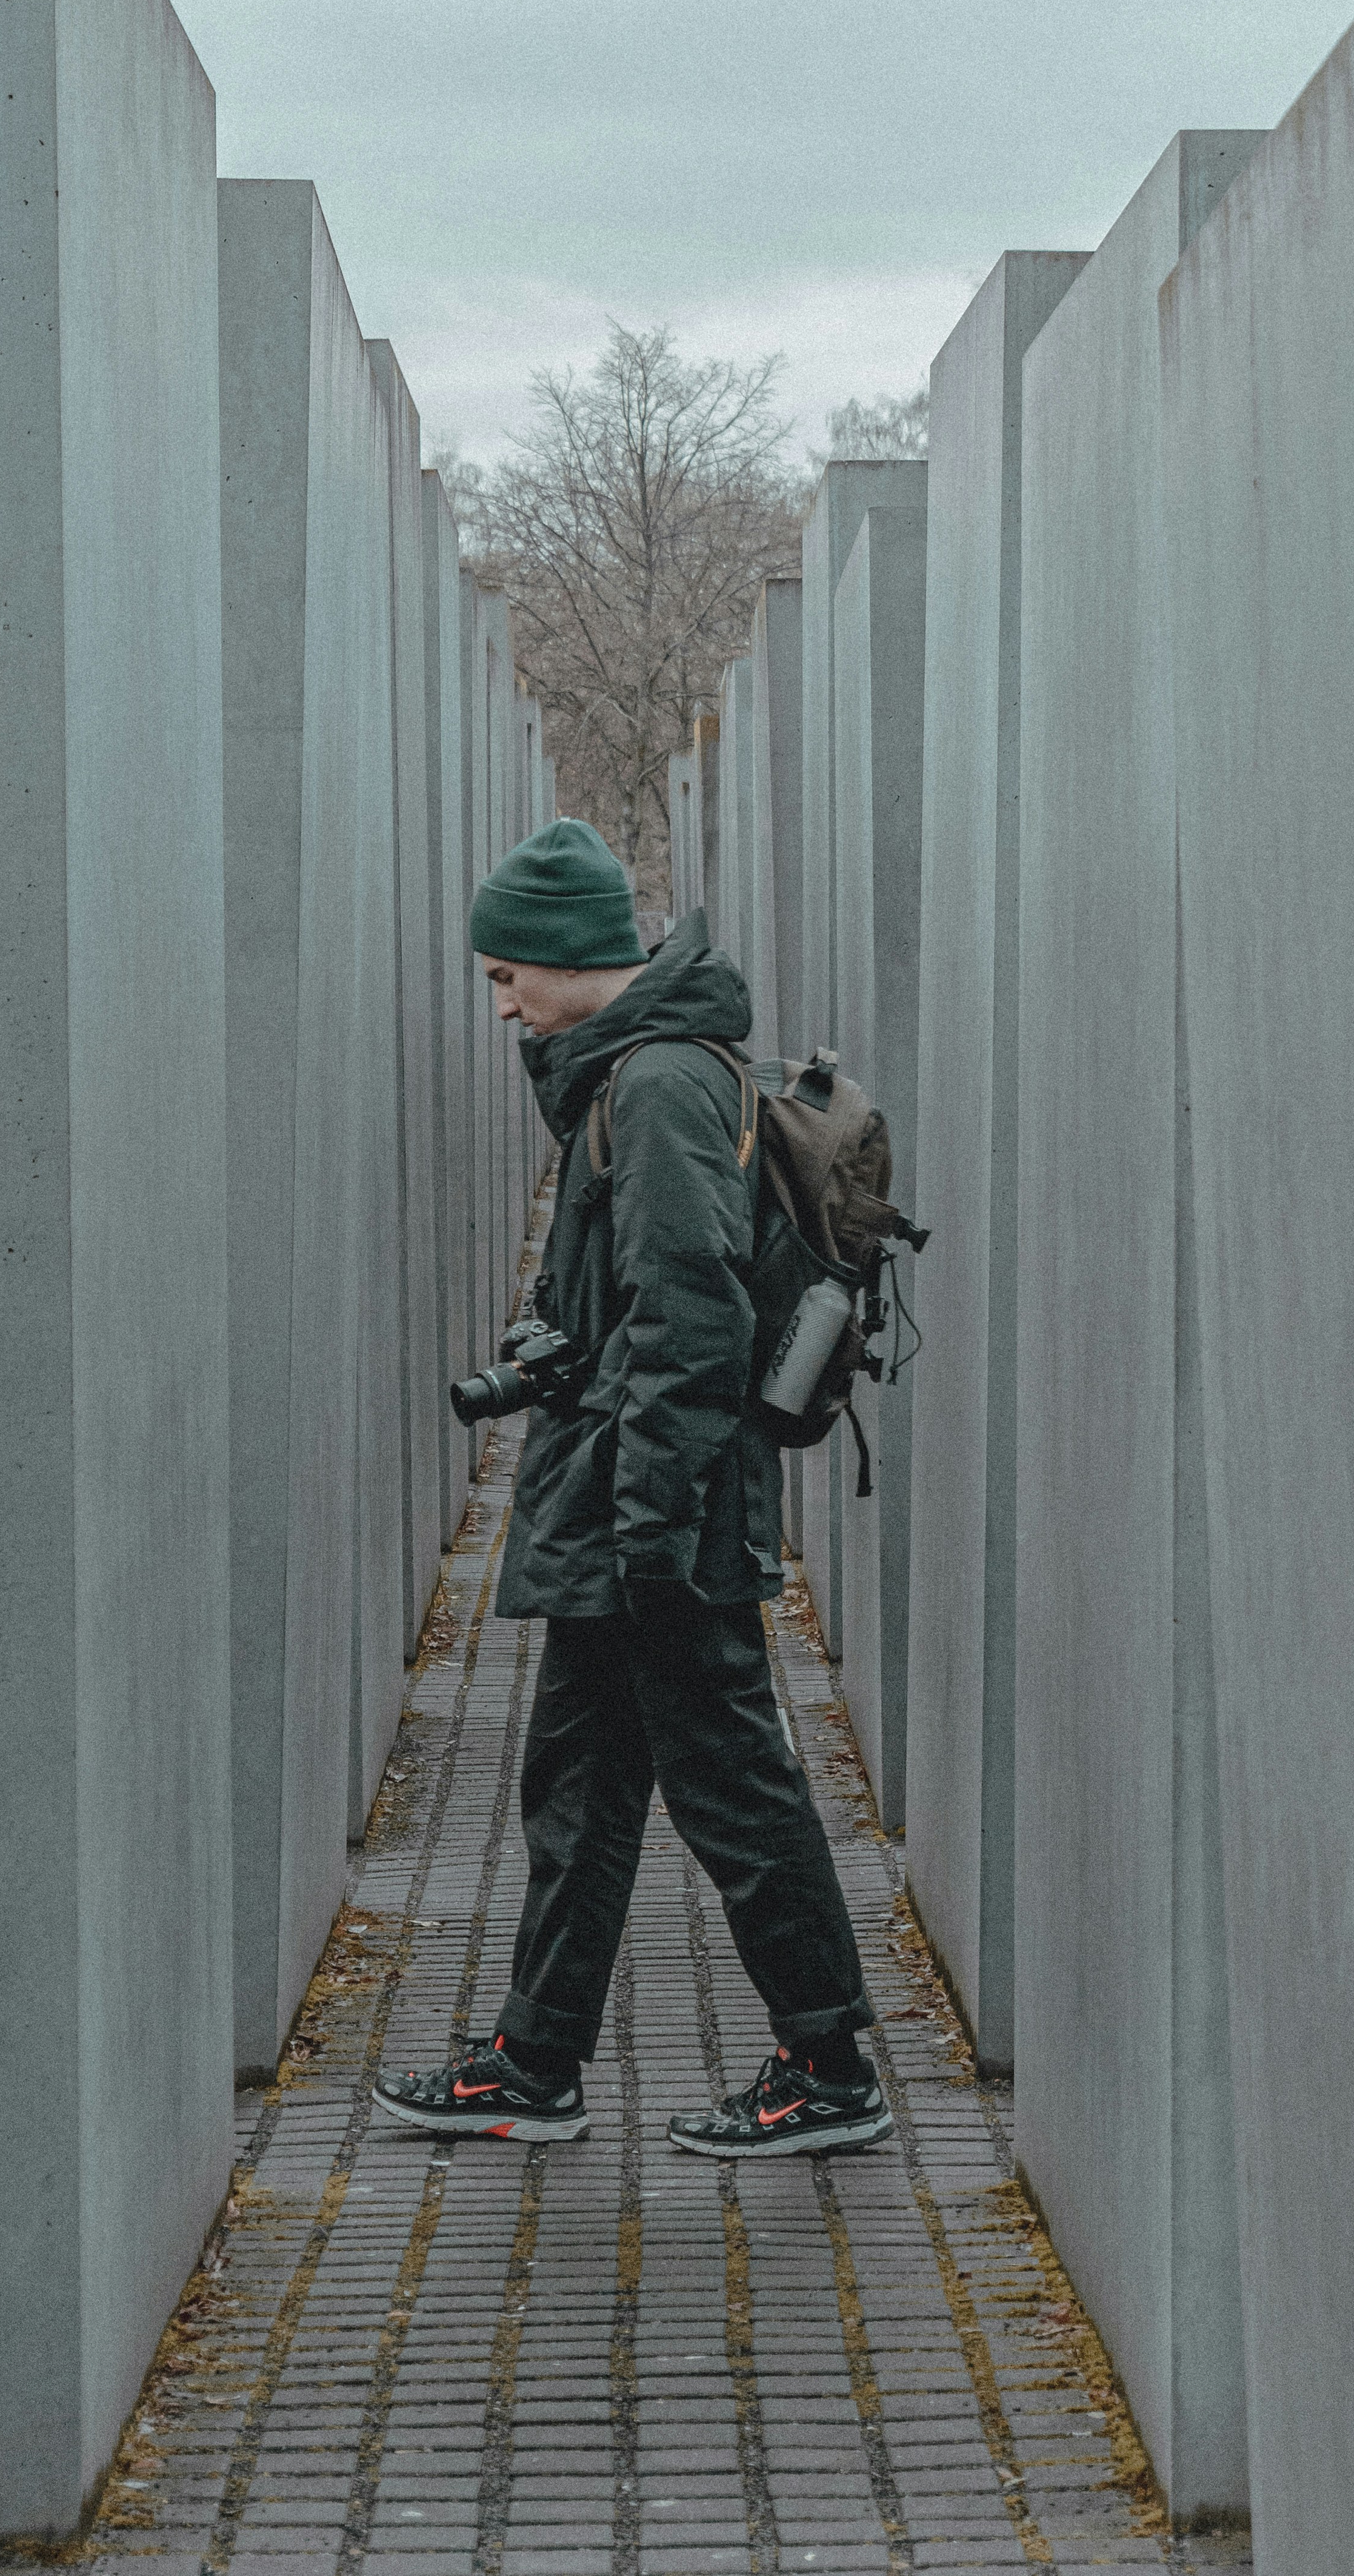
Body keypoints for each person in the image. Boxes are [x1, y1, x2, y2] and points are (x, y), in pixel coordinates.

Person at [375, 816, 890, 2158]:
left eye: (507, 977)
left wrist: (650, 1524)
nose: (500, 1004)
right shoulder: (639, 1071)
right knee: (582, 1786)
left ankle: (829, 2069)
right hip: (629, 1493)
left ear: (567, 958)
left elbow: (692, 1319)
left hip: (658, 1507)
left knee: (732, 1783)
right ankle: (537, 2063)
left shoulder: (657, 1081)